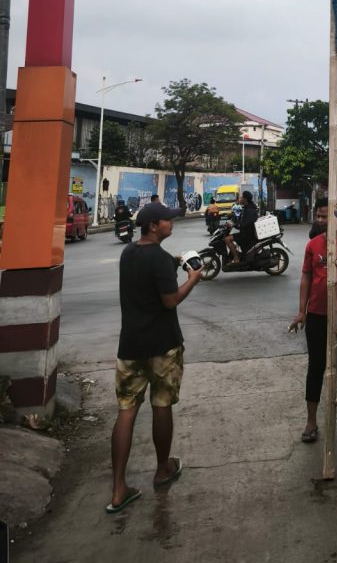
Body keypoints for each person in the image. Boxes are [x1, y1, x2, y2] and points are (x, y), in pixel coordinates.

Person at [107, 202, 202, 514]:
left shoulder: (128, 253)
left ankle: (118, 489)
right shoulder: (158, 259)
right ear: (152, 226)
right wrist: (192, 279)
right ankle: (162, 468)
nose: (171, 223)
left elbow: (146, 274)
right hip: (163, 346)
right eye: (166, 220)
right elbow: (170, 300)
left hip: (130, 346)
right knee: (161, 405)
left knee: (126, 411)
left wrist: (173, 262)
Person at [288, 198, 337, 443]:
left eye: (325, 216)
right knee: (316, 367)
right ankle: (311, 421)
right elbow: (306, 277)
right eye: (318, 216)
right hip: (316, 314)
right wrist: (301, 311)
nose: (320, 220)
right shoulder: (313, 245)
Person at [225, 190, 258, 265]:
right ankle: (236, 253)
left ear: (245, 199)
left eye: (241, 197)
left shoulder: (250, 210)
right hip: (244, 232)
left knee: (227, 239)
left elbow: (246, 224)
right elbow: (241, 220)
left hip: (247, 235)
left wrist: (235, 225)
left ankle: (236, 257)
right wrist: (232, 223)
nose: (240, 198)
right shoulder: (246, 207)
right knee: (230, 235)